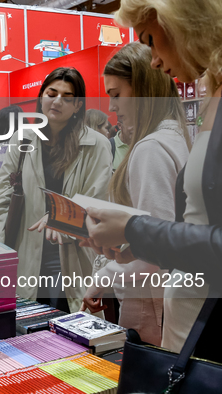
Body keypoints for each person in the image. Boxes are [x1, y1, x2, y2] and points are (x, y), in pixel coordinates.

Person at [81, 0, 222, 361]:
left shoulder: (152, 147)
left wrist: (135, 232)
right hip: (187, 321)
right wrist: (137, 239)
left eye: (152, 40)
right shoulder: (197, 115)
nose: (157, 60)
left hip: (184, 324)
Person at [80, 42, 191, 346]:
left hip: (151, 305)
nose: (112, 107)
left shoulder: (150, 149)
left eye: (116, 95)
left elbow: (157, 247)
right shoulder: (175, 138)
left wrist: (100, 281)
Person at [0, 67, 112, 313]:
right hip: (27, 252)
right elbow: (2, 200)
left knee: (72, 329)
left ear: (78, 106)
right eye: (52, 93)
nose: (57, 101)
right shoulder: (22, 139)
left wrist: (59, 218)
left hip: (72, 254)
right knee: (29, 326)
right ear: (42, 97)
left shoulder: (97, 145)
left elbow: (96, 202)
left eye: (67, 97)